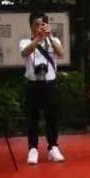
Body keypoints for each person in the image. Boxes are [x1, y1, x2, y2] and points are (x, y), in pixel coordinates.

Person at [20, 11, 67, 165]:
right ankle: (32, 149)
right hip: (33, 84)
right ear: (31, 26)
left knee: (51, 117)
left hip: (50, 84)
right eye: (36, 24)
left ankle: (53, 147)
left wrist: (49, 38)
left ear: (47, 25)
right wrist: (38, 39)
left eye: (42, 24)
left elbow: (61, 54)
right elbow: (25, 52)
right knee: (32, 118)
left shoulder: (54, 40)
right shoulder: (25, 41)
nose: (39, 27)